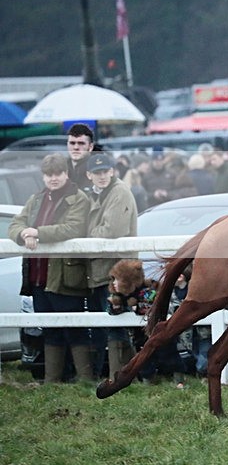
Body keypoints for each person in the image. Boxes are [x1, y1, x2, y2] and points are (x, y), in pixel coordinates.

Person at [8, 153, 92, 383]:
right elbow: (16, 223)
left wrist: (37, 232)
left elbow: (73, 228)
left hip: (66, 275)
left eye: (58, 173)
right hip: (38, 276)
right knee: (50, 329)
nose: (53, 178)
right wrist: (23, 233)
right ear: (43, 176)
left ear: (66, 174)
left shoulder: (79, 199)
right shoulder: (36, 199)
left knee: (74, 328)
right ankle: (53, 381)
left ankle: (85, 380)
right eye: (48, 174)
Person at [85, 153, 139, 379]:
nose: (102, 176)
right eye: (97, 172)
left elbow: (112, 230)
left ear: (112, 171)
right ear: (89, 175)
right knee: (111, 322)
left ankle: (121, 375)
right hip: (104, 269)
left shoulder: (119, 192)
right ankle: (128, 373)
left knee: (117, 322)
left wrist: (86, 234)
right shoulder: (97, 194)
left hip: (117, 270)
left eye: (105, 171)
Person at [66, 123, 95, 193]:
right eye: (72, 143)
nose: (76, 147)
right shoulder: (60, 168)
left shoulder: (98, 170)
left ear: (90, 147)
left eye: (81, 143)